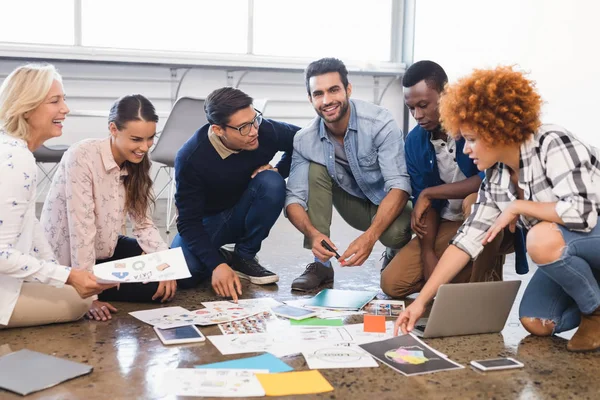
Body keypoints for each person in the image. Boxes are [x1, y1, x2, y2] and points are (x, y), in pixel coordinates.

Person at [395, 65, 600, 353]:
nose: (466, 149)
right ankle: (593, 295)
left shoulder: (552, 142)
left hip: (593, 235)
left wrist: (518, 205)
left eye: (472, 139)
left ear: (498, 129)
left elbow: (583, 213)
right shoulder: (498, 175)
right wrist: (420, 302)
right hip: (573, 251)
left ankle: (595, 312)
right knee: (536, 321)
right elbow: (467, 241)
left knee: (539, 239)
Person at [381, 60, 510, 298]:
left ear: (445, 94)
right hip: (449, 222)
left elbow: (487, 182)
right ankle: (458, 276)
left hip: (491, 216)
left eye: (423, 105)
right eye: (411, 108)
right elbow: (425, 203)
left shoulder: (474, 126)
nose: (417, 115)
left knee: (473, 201)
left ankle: (478, 288)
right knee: (392, 283)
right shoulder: (414, 141)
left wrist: (432, 192)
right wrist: (427, 252)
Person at [41, 94, 176, 322]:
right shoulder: (81, 155)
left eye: (150, 138)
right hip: (70, 260)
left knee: (177, 272)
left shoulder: (136, 161)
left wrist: (166, 267)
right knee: (154, 289)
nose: (144, 147)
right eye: (136, 139)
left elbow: (143, 223)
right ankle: (80, 289)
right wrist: (88, 298)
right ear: (113, 129)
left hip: (106, 249)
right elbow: (80, 228)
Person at [0, 63, 113, 329]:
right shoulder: (17, 159)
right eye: (55, 101)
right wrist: (68, 276)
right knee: (79, 302)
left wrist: (59, 276)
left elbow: (32, 225)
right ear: (27, 108)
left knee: (73, 292)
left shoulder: (12, 150)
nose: (66, 108)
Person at [286, 57, 412, 291]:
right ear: (310, 99)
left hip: (389, 203)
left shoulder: (379, 122)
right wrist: (313, 234)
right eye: (318, 93)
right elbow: (293, 199)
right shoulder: (305, 139)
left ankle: (394, 252)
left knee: (394, 236)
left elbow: (400, 186)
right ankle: (321, 265)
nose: (327, 100)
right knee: (316, 168)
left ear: (348, 89)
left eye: (334, 90)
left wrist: (370, 237)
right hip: (353, 204)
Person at [171, 87, 299, 301]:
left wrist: (279, 170)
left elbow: (303, 140)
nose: (253, 131)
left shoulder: (264, 130)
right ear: (219, 130)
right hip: (208, 222)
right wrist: (216, 265)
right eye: (242, 128)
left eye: (254, 119)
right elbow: (188, 222)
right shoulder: (191, 158)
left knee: (271, 182)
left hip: (244, 208)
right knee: (185, 275)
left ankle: (244, 256)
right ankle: (224, 256)